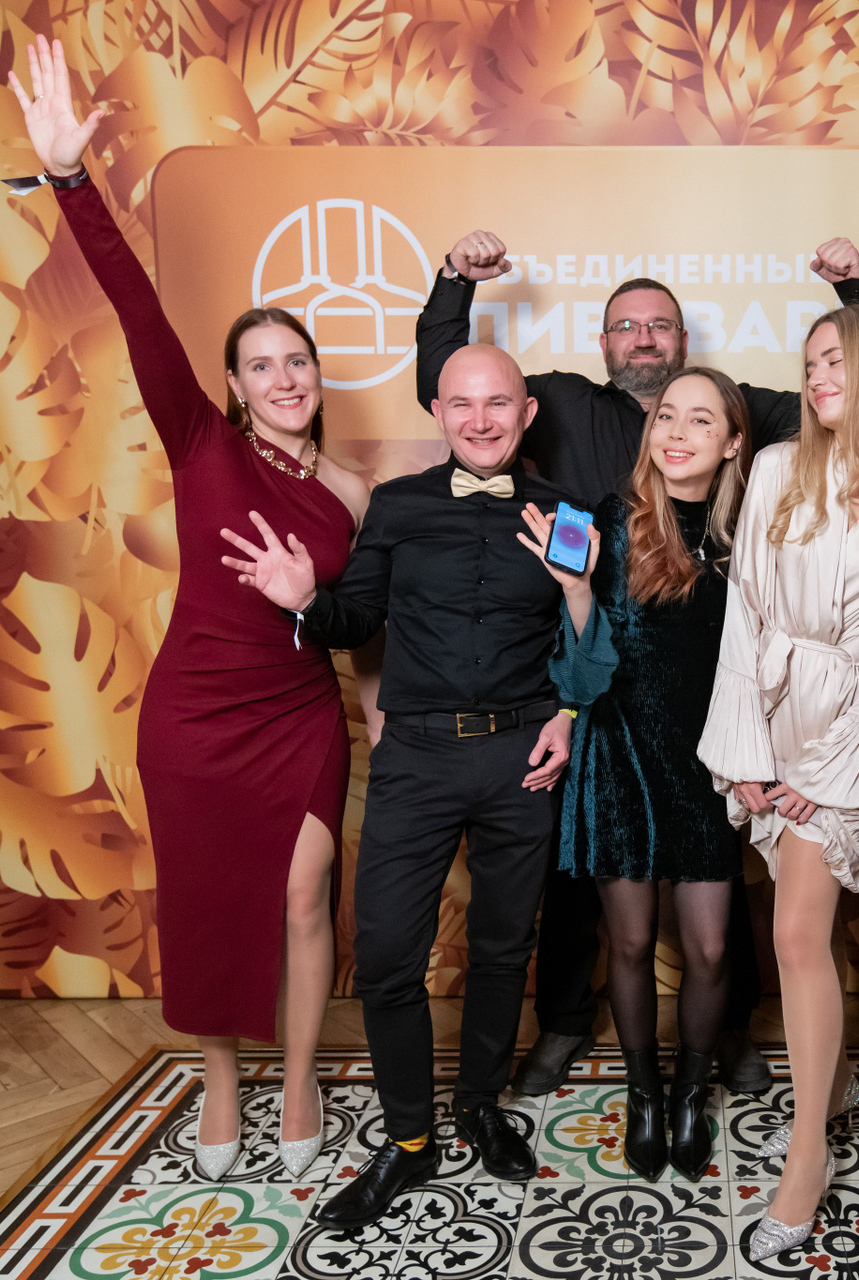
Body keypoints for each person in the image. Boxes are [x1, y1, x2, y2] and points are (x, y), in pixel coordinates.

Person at [6, 36, 377, 1183]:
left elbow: (360, 618)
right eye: (261, 364)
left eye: (297, 360)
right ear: (233, 386)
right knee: (210, 906)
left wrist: (346, 653)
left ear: (316, 375)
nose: (284, 377)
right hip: (196, 718)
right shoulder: (204, 444)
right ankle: (221, 1076)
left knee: (307, 894)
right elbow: (135, 307)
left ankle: (300, 1077)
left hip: (298, 715)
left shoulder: (354, 492)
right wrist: (71, 177)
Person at [418, 231, 859, 1097]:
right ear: (603, 344)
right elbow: (444, 387)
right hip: (597, 687)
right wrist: (454, 283)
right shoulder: (563, 401)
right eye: (627, 327)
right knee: (581, 888)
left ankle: (727, 1035)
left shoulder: (740, 409)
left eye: (660, 326)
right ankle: (567, 1022)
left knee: (720, 911)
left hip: (712, 710)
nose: (643, 339)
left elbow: (853, 401)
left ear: (685, 344)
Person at [221, 343, 577, 1228]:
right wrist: (305, 598)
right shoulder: (397, 505)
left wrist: (570, 716)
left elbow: (587, 630)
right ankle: (410, 1138)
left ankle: (481, 1105)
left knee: (503, 948)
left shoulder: (565, 510)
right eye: (463, 404)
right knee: (383, 954)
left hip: (521, 759)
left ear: (527, 414)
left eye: (499, 403)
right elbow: (358, 619)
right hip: (415, 758)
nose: (481, 420)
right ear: (439, 413)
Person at [699, 305, 859, 1261]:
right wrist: (747, 749)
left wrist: (821, 765)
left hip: (850, 734)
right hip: (771, 716)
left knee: (797, 932)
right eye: (810, 362)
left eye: (837, 361)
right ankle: (836, 1078)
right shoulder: (774, 469)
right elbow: (745, 617)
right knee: (817, 921)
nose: (816, 378)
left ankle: (807, 1155)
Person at [518, 367, 754, 1183]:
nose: (677, 432)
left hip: (711, 757)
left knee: (711, 947)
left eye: (701, 420)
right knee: (626, 939)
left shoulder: (753, 533)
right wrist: (577, 591)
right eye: (667, 417)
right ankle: (645, 1094)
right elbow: (585, 674)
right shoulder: (601, 521)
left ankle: (691, 1091)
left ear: (733, 442)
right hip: (619, 749)